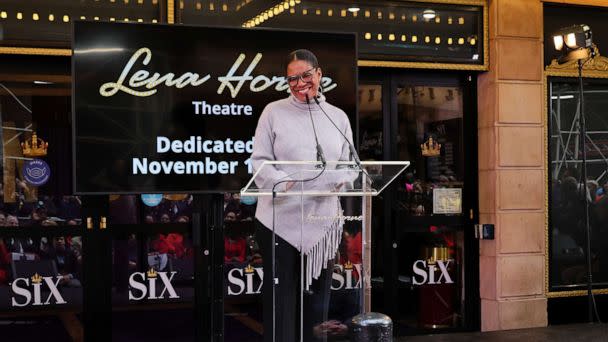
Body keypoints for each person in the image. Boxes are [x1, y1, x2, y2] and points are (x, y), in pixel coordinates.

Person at [251, 49, 354, 342]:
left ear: (319, 74)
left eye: (305, 75)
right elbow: (259, 162)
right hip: (278, 222)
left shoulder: (338, 117)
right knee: (282, 300)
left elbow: (349, 165)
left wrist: (340, 180)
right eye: (292, 78)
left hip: (323, 222)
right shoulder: (273, 112)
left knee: (318, 302)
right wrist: (287, 183)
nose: (299, 83)